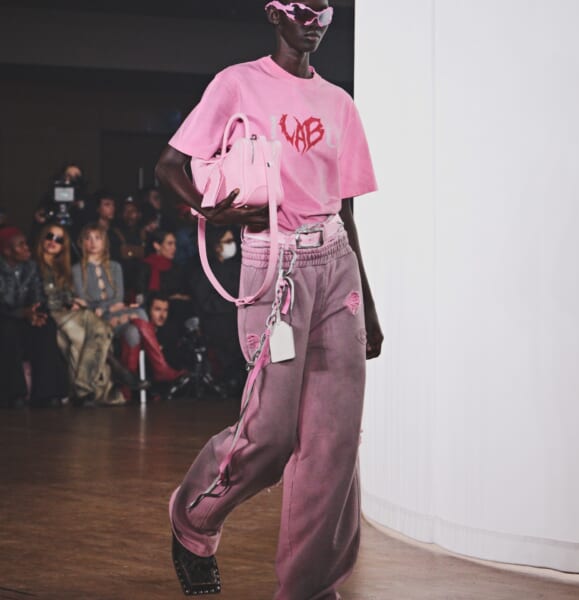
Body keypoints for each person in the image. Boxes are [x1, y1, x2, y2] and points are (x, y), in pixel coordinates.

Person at [155, 1, 384, 597]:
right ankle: (194, 517)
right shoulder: (237, 83)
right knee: (271, 435)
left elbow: (345, 209)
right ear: (274, 15)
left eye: (324, 13)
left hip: (336, 266)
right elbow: (170, 166)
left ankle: (312, 588)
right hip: (272, 265)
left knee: (334, 444)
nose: (313, 23)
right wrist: (211, 211)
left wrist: (369, 303)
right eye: (301, 11)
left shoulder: (339, 103)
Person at [35, 223, 146, 406]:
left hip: (75, 313)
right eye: (50, 236)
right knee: (96, 332)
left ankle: (89, 389)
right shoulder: (37, 265)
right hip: (59, 315)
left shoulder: (61, 266)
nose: (53, 241)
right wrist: (73, 303)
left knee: (124, 322)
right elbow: (46, 298)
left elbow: (115, 299)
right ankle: (112, 376)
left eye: (59, 239)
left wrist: (76, 302)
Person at [72, 224, 185, 400]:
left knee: (133, 331)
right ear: (82, 243)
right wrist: (105, 307)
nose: (93, 243)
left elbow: (118, 298)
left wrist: (104, 307)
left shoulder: (115, 267)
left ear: (104, 241)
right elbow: (84, 301)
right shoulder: (77, 270)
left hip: (115, 317)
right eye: (88, 238)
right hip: (93, 320)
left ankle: (126, 387)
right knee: (139, 315)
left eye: (97, 238)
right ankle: (160, 368)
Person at [0, 227, 68, 408]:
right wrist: (22, 313)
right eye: (20, 245)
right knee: (7, 330)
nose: (27, 248)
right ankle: (15, 394)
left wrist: (36, 313)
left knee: (46, 325)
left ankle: (48, 393)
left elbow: (38, 295)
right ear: (7, 251)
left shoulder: (30, 266)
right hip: (6, 319)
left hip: (25, 317)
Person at [189, 225, 245, 395]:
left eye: (232, 241)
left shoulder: (237, 267)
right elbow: (204, 301)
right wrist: (230, 306)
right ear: (216, 246)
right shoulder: (204, 270)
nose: (231, 245)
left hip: (237, 317)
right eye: (227, 241)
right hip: (215, 320)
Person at [139, 230, 193, 330]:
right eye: (169, 244)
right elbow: (144, 293)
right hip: (152, 308)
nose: (174, 248)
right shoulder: (145, 267)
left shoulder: (176, 268)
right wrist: (169, 297)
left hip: (176, 310)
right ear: (157, 245)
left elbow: (185, 293)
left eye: (175, 244)